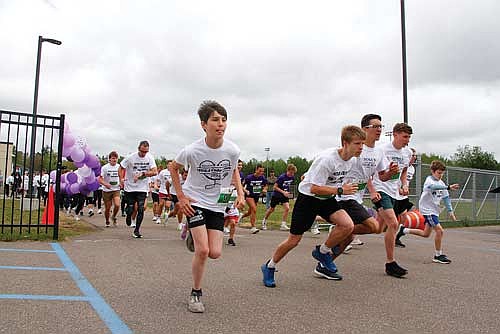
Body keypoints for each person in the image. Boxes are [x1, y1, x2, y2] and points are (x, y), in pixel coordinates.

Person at [261, 126, 365, 287]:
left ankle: (322, 252)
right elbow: (313, 188)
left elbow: (334, 182)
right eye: (357, 143)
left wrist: (343, 189)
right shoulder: (327, 159)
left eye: (362, 144)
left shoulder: (352, 160)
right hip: (308, 199)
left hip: (326, 198)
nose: (361, 147)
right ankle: (269, 266)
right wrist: (339, 189)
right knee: (294, 240)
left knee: (347, 225)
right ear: (345, 143)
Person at [170, 100, 244, 313]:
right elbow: (173, 168)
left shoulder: (232, 150)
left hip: (218, 204)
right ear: (204, 125)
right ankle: (196, 293)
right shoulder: (192, 150)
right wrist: (181, 197)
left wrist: (239, 192)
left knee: (215, 253)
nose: (220, 124)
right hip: (195, 202)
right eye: (215, 120)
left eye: (223, 120)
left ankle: (193, 236)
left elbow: (233, 170)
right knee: (203, 251)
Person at [333, 114, 397, 260]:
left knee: (349, 238)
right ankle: (330, 243)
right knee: (374, 227)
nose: (379, 129)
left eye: (381, 126)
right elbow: (334, 162)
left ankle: (326, 262)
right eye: (375, 126)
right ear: (364, 129)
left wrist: (391, 172)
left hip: (358, 197)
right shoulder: (355, 148)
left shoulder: (379, 152)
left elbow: (381, 176)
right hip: (344, 196)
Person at [372, 122, 413, 278]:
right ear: (395, 134)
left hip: (394, 192)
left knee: (376, 228)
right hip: (381, 190)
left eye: (409, 137)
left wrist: (404, 185)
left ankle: (345, 231)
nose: (407, 140)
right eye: (404, 136)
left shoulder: (407, 153)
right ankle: (391, 263)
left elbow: (403, 173)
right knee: (394, 223)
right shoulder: (381, 150)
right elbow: (370, 173)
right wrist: (373, 190)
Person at [397, 160, 459, 264]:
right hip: (427, 210)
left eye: (442, 173)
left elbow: (446, 197)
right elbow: (433, 187)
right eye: (439, 173)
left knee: (426, 234)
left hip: (434, 211)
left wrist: (450, 211)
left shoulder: (441, 183)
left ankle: (404, 230)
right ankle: (438, 255)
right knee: (440, 231)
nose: (440, 175)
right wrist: (448, 187)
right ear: (433, 171)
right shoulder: (429, 180)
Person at [119, 140, 158, 238]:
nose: (144, 154)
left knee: (141, 208)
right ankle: (128, 215)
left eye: (146, 152)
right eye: (142, 151)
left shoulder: (150, 158)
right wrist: (121, 179)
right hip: (130, 187)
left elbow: (155, 171)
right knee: (131, 208)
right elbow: (121, 167)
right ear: (138, 149)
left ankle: (136, 230)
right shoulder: (130, 157)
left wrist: (143, 174)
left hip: (142, 187)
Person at [261, 164, 297, 231]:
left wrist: (289, 193)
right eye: (291, 173)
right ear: (288, 170)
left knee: (287, 208)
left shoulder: (292, 177)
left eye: (293, 173)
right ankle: (264, 221)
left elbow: (289, 185)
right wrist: (283, 192)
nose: (292, 174)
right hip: (277, 195)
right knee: (271, 209)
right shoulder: (282, 177)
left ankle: (283, 224)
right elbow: (275, 187)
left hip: (284, 195)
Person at [395, 147, 417, 247]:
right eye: (413, 155)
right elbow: (394, 179)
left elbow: (406, 181)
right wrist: (398, 189)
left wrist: (406, 188)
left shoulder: (412, 169)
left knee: (403, 216)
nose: (414, 158)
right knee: (382, 225)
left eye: (415, 156)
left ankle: (397, 237)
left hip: (403, 196)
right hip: (395, 194)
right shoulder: (400, 165)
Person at [240, 164, 268, 233]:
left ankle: (241, 216)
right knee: (254, 209)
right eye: (260, 171)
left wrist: (264, 189)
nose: (261, 173)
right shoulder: (249, 177)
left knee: (250, 212)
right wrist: (245, 190)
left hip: (256, 196)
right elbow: (241, 185)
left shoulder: (263, 178)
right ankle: (253, 227)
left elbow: (266, 185)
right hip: (249, 196)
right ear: (256, 170)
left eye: (262, 171)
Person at [98, 151, 121, 227]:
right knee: (108, 208)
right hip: (106, 190)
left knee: (117, 205)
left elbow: (122, 177)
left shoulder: (119, 167)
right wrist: (105, 184)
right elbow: (100, 179)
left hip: (116, 189)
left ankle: (114, 216)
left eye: (116, 158)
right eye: (113, 158)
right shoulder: (105, 168)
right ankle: (107, 220)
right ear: (109, 159)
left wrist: (122, 182)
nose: (114, 160)